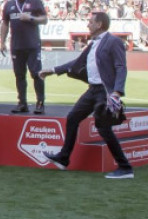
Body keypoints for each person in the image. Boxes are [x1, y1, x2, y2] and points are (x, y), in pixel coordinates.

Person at [40, 12, 133, 179]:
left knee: (103, 127)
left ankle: (125, 168)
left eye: (90, 22)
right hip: (93, 91)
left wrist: (117, 93)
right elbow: (77, 63)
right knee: (73, 117)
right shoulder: (92, 44)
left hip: (105, 92)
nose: (87, 25)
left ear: (99, 25)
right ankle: (63, 158)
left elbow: (121, 67)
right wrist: (53, 70)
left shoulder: (114, 42)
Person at [0, 0, 48, 114]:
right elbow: (5, 23)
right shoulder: (9, 5)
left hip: (32, 45)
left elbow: (44, 19)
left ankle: (40, 103)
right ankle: (22, 103)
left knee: (36, 74)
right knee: (19, 75)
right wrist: (2, 41)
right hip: (16, 45)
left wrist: (31, 18)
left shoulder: (35, 2)